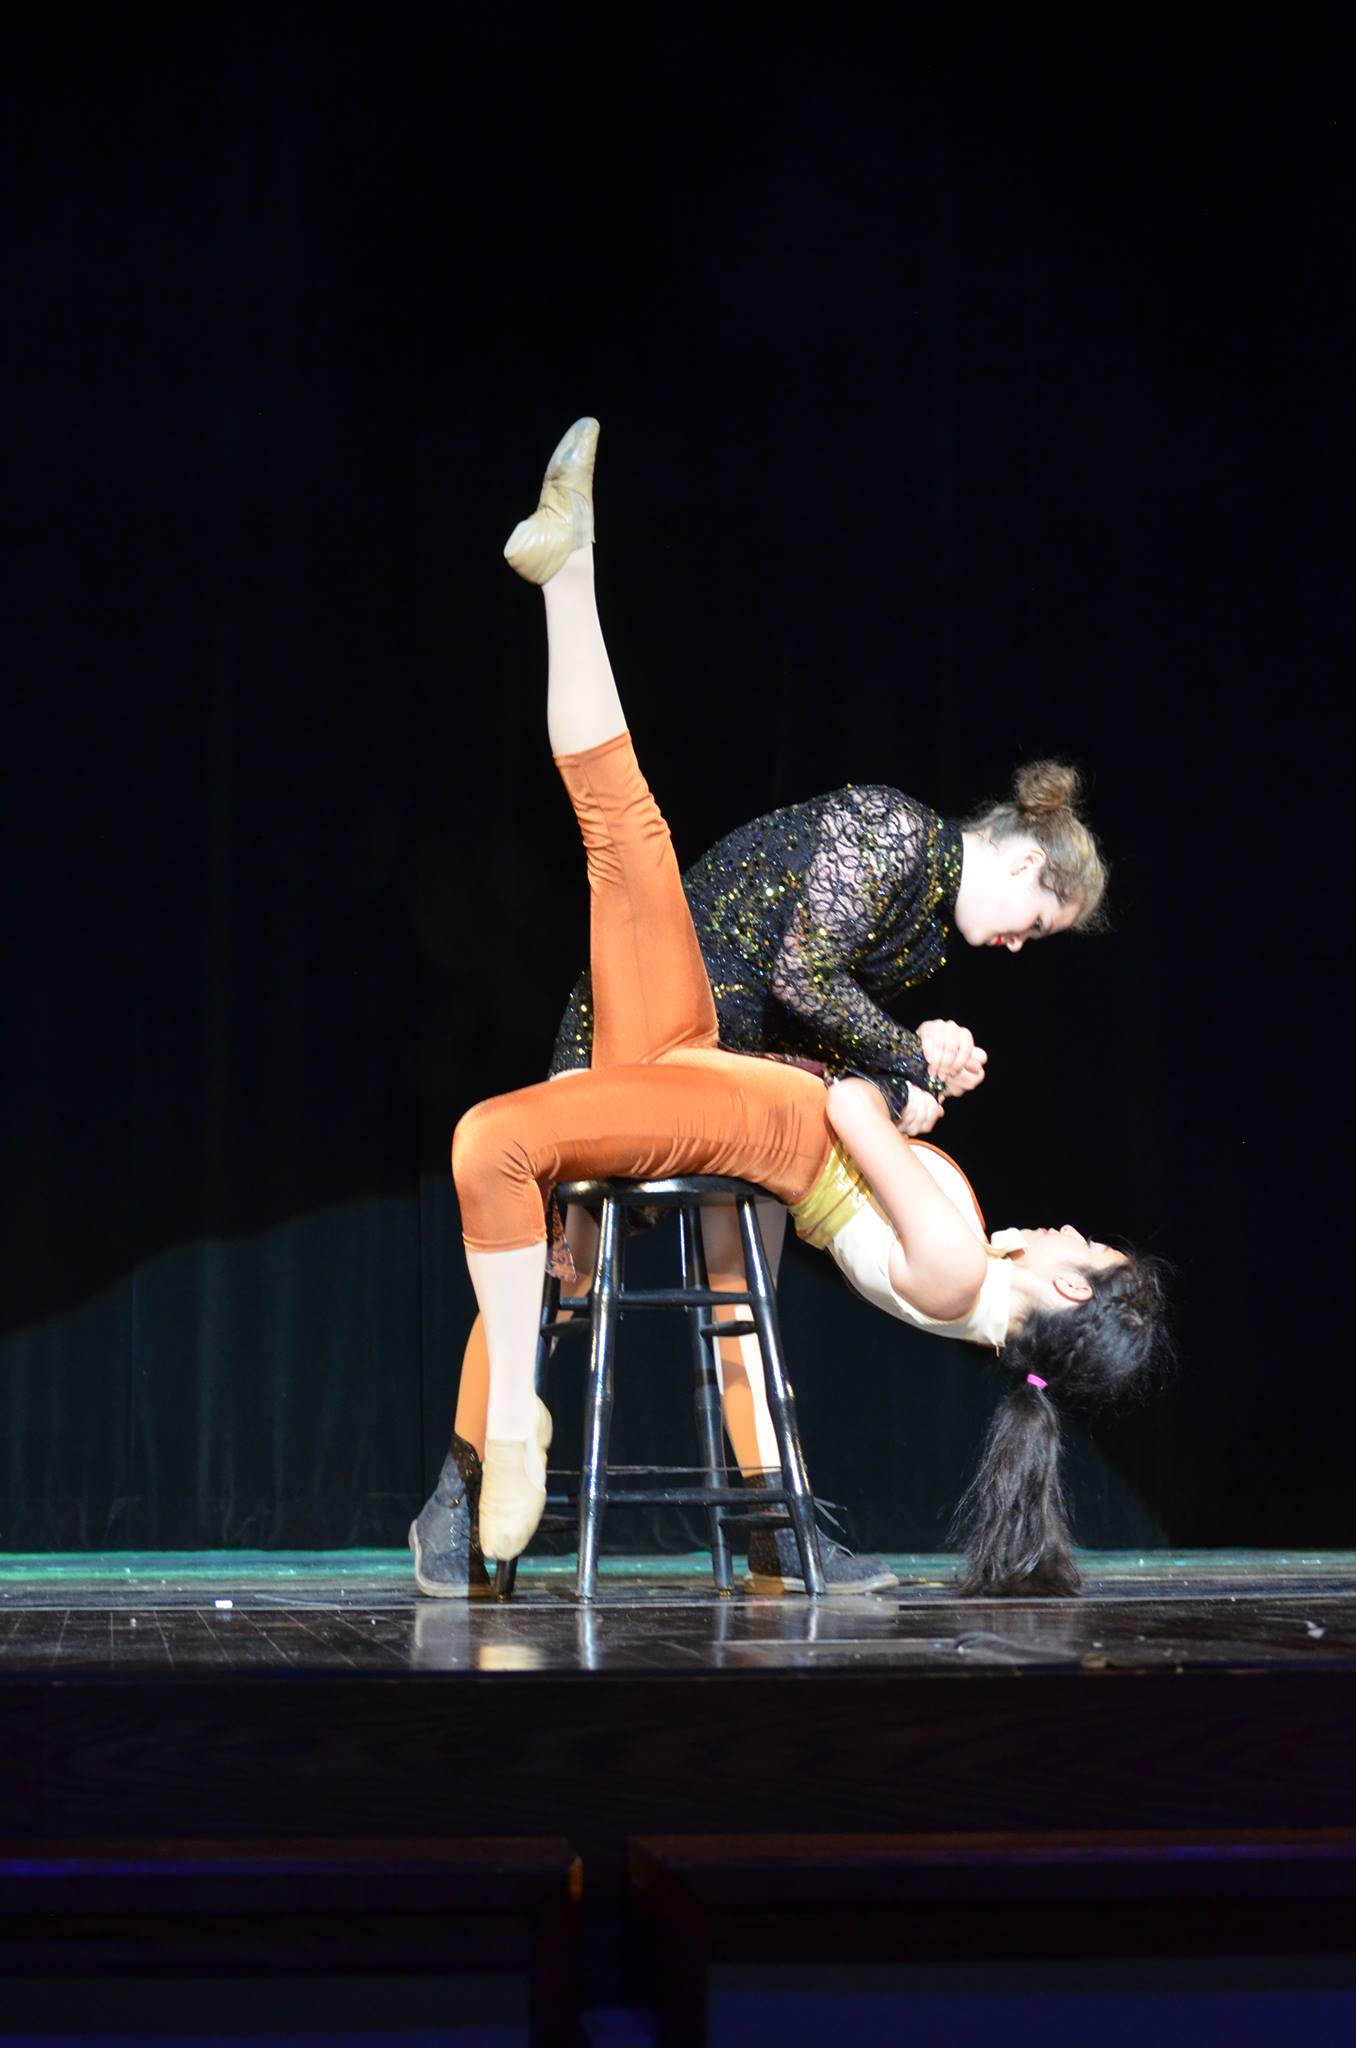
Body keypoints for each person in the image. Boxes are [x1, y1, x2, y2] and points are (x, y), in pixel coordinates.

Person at [411, 420, 1168, 1601]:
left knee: (545, 1133)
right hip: (700, 1046)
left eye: (1085, 1243)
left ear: (1065, 1289)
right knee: (622, 834)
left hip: (747, 1096)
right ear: (1026, 862)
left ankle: (602, 1468)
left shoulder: (962, 1260)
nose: (1072, 1227)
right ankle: (570, 573)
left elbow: (847, 1092)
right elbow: (817, 1003)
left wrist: (906, 1079)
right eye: (1034, 921)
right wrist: (911, 1073)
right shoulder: (897, 840)